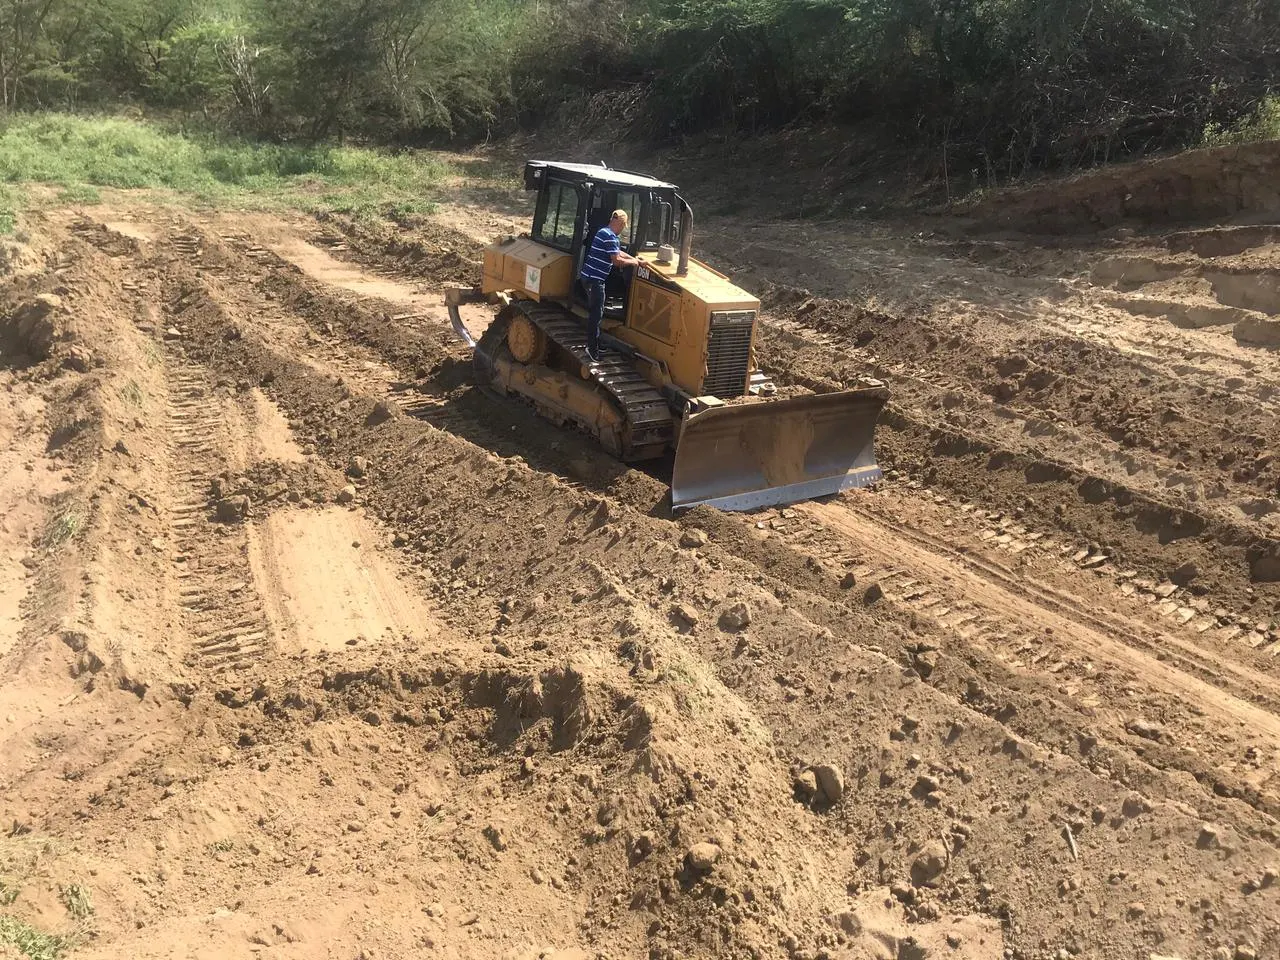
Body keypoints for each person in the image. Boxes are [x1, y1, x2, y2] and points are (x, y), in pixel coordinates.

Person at [578, 209, 640, 362]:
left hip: (589, 277)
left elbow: (617, 252)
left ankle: (597, 342)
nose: (622, 229)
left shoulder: (604, 232)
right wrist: (635, 263)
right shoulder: (610, 236)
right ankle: (591, 349)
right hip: (595, 281)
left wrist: (636, 259)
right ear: (620, 223)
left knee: (597, 312)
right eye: (623, 226)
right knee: (596, 315)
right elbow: (617, 260)